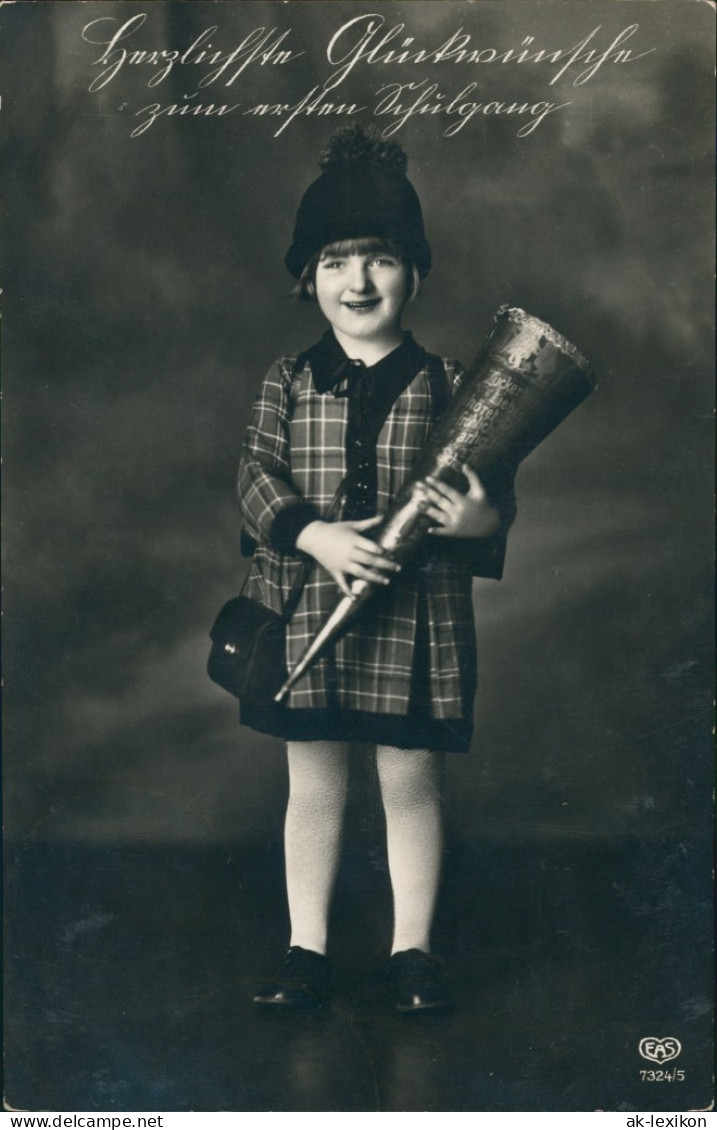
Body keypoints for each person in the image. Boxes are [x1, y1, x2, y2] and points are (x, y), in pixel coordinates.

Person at [236, 124, 516, 1012]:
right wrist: (311, 534)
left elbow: (493, 487)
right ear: (306, 279)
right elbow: (252, 476)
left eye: (380, 258)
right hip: (305, 608)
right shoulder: (286, 379)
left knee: (409, 783)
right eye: (333, 261)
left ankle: (412, 954)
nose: (357, 281)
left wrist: (480, 519)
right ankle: (305, 952)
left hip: (414, 620)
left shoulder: (455, 384)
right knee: (313, 785)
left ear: (416, 272)